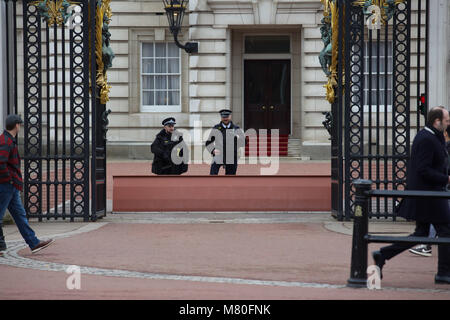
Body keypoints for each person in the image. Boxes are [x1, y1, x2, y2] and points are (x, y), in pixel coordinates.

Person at [372, 106, 450, 284]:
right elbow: (423, 170)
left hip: (430, 193)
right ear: (436, 121)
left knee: (421, 233)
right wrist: (446, 179)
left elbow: (438, 163)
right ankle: (444, 273)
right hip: (429, 195)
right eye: (446, 120)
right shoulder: (426, 139)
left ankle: (383, 254)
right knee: (445, 231)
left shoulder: (433, 137)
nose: (448, 123)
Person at [0, 115, 54, 256]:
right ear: (16, 125)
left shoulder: (8, 140)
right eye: (20, 124)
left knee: (20, 216)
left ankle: (33, 243)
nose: (20, 127)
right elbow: (1, 162)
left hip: (11, 186)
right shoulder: (5, 141)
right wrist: (9, 180)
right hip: (6, 185)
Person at [408, 124, 450, 257]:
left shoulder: (444, 146)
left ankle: (427, 245)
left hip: (443, 185)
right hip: (443, 185)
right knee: (440, 221)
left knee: (439, 220)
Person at [205, 109, 245, 175]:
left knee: (230, 178)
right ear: (221, 117)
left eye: (227, 116)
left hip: (232, 155)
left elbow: (244, 143)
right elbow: (208, 143)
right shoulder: (216, 128)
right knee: (213, 174)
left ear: (230, 116)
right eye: (223, 117)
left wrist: (239, 138)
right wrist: (213, 150)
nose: (225, 118)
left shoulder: (236, 128)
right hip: (219, 154)